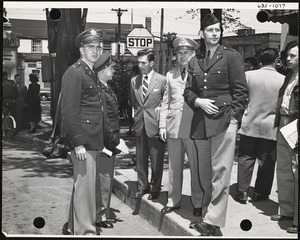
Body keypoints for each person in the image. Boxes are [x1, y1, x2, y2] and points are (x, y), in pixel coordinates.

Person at [184, 13, 248, 236]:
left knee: (220, 175)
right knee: (204, 174)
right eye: (210, 30)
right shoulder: (195, 60)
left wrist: (233, 120)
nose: (214, 34)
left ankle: (213, 222)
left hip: (223, 123)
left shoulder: (231, 57)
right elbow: (188, 91)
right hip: (201, 125)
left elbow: (241, 92)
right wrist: (197, 101)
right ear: (202, 33)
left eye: (217, 30)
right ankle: (206, 217)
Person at [61, 28, 127, 235]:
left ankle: (75, 227)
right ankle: (85, 231)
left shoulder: (91, 74)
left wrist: (111, 141)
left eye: (99, 47)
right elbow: (69, 111)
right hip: (85, 143)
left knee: (85, 188)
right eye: (91, 47)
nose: (96, 51)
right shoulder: (74, 72)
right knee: (85, 190)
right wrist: (78, 142)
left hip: (95, 141)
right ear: (81, 49)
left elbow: (100, 113)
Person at [159, 37, 205, 217]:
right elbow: (166, 102)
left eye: (186, 52)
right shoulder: (171, 75)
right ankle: (173, 200)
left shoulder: (201, 73)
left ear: (193, 54)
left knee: (196, 167)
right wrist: (162, 125)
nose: (182, 56)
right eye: (179, 52)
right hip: (174, 126)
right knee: (173, 167)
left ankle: (198, 202)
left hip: (194, 127)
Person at [235, 48, 285, 204]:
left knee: (245, 158)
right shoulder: (283, 79)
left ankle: (242, 191)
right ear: (277, 60)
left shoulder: (248, 76)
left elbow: (240, 99)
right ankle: (260, 193)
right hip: (271, 126)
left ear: (260, 60)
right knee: (267, 162)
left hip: (249, 123)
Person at [130, 49, 167, 200]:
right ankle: (142, 186)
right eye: (138, 62)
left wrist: (162, 123)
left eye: (143, 63)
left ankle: (155, 188)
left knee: (156, 160)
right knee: (140, 159)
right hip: (140, 124)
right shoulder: (134, 81)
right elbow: (133, 102)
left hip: (155, 125)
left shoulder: (162, 80)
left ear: (152, 63)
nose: (140, 65)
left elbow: (165, 103)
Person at [271, 41, 298, 234]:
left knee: (297, 171)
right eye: (287, 56)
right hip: (283, 124)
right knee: (284, 169)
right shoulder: (289, 75)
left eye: (293, 56)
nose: (288, 59)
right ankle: (287, 211)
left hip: (296, 126)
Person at [93, 51, 120, 229]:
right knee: (103, 177)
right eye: (111, 68)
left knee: (106, 177)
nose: (113, 71)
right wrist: (112, 142)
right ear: (103, 70)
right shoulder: (99, 89)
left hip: (110, 138)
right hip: (105, 140)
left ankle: (103, 211)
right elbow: (103, 119)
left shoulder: (105, 87)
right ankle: (99, 216)